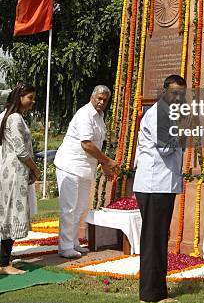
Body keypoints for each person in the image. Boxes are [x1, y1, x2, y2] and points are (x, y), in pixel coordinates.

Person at [133, 74, 187, 303]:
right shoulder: (161, 113)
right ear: (165, 91)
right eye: (175, 93)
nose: (178, 98)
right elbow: (166, 147)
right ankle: (152, 294)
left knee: (155, 238)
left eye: (182, 95)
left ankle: (153, 290)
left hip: (159, 184)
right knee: (154, 239)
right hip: (155, 184)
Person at [54, 85, 117, 258]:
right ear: (92, 97)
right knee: (69, 208)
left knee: (80, 208)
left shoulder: (100, 117)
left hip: (85, 168)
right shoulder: (84, 114)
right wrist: (107, 161)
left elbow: (96, 145)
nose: (101, 102)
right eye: (99, 98)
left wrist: (103, 163)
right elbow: (86, 144)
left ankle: (73, 242)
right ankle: (65, 246)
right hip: (70, 166)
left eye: (105, 100)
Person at [0, 83, 41, 275]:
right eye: (30, 98)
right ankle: (4, 263)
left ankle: (5, 259)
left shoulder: (14, 117)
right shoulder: (14, 118)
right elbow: (21, 151)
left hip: (15, 172)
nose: (32, 102)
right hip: (14, 173)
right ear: (20, 97)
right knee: (10, 215)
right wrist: (36, 169)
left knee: (7, 215)